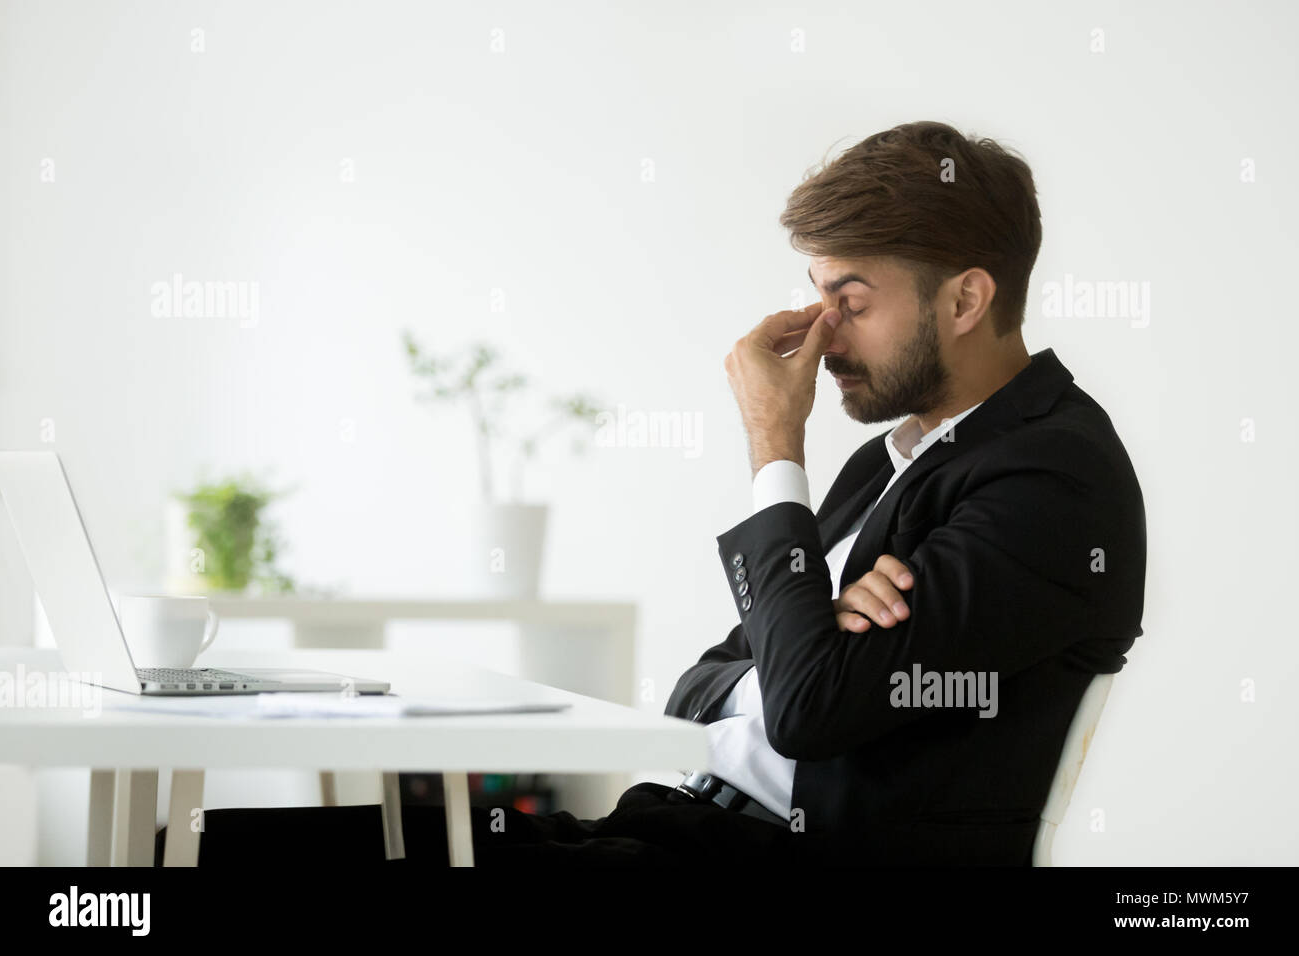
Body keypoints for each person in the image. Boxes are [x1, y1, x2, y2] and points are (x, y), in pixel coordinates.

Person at [159, 121, 1146, 867]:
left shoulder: (1050, 477)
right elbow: (699, 687)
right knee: (209, 841)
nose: (823, 335)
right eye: (815, 292)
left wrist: (773, 444)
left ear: (966, 298)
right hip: (675, 824)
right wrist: (811, 628)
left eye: (850, 298)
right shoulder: (896, 456)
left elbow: (800, 708)